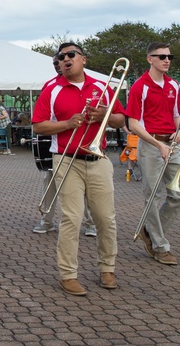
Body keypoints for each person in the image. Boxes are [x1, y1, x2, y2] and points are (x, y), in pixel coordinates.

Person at [32, 42, 125, 296]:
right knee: (71, 218)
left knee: (106, 218)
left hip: (98, 159)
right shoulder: (51, 88)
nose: (65, 60)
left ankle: (107, 268)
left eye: (71, 55)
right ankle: (68, 274)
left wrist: (104, 115)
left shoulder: (102, 87)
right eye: (61, 57)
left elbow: (120, 119)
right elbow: (38, 125)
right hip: (65, 158)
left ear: (83, 59)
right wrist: (66, 124)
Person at [127, 42, 180, 265]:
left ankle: (150, 231)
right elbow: (133, 124)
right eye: (161, 56)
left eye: (169, 56)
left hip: (171, 144)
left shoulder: (173, 85)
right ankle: (161, 246)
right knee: (153, 195)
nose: (167, 60)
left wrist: (179, 129)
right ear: (149, 59)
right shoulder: (139, 87)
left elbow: (177, 115)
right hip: (151, 144)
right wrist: (157, 144)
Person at [33, 56, 98, 239]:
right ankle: (47, 220)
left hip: (84, 145)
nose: (60, 65)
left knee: (87, 187)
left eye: (64, 60)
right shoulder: (50, 86)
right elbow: (42, 119)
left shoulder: (93, 84)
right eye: (56, 63)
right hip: (58, 144)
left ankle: (91, 223)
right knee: (50, 182)